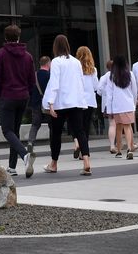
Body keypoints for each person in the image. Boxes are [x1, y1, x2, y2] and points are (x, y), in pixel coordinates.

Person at [41, 34, 92, 176]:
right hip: (75, 102)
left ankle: (54, 163)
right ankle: (86, 161)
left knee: (56, 134)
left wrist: (50, 103)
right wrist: (82, 101)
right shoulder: (76, 62)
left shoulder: (56, 62)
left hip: (61, 103)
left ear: (55, 47)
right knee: (80, 131)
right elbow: (80, 82)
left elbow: (54, 83)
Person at [0, 24, 37, 176]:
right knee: (14, 131)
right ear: (19, 37)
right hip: (23, 97)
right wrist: (28, 94)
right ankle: (12, 167)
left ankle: (25, 155)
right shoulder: (28, 56)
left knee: (7, 130)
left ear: (5, 38)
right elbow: (32, 79)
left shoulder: (0, 54)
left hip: (7, 95)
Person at [25, 56, 51, 178]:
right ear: (48, 63)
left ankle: (30, 142)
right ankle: (53, 145)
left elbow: (29, 89)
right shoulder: (49, 76)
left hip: (35, 103)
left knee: (35, 125)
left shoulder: (34, 75)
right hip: (47, 105)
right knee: (52, 124)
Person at [109, 55, 137, 158]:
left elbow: (109, 94)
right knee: (128, 127)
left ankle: (119, 150)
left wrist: (109, 109)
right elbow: (134, 90)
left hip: (117, 106)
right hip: (128, 104)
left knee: (118, 128)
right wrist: (133, 104)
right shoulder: (130, 74)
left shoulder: (112, 76)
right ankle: (129, 149)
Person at [75, 46, 99, 161]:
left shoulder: (76, 68)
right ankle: (85, 151)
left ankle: (79, 146)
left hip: (79, 100)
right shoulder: (93, 69)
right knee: (86, 126)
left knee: (79, 127)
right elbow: (96, 86)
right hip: (90, 100)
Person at [97, 61, 116, 153]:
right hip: (119, 103)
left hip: (108, 104)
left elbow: (99, 90)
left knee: (112, 124)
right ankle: (127, 144)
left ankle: (112, 145)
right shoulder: (119, 75)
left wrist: (106, 93)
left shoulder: (104, 77)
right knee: (125, 125)